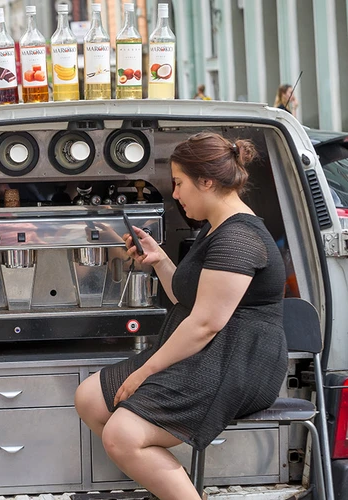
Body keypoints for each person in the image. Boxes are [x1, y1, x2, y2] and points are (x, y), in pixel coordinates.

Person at [74, 132, 288, 500]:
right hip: (206, 352)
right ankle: (181, 489)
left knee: (122, 436)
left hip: (237, 361)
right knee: (90, 398)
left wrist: (146, 372)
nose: (174, 194)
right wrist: (160, 260)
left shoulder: (238, 237)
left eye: (178, 183)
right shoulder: (215, 229)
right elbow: (188, 299)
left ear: (206, 181)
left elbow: (206, 323)